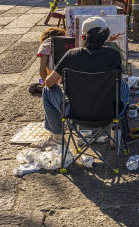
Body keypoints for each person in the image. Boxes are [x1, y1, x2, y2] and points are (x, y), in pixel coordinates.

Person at [35, 16, 123, 148]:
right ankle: (116, 131)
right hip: (109, 113)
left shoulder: (72, 55)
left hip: (75, 113)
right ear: (105, 37)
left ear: (83, 38)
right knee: (124, 85)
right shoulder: (114, 54)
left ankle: (58, 137)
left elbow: (48, 83)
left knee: (48, 90)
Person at [29, 27, 65, 95]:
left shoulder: (46, 44)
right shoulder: (66, 41)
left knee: (38, 84)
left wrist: (45, 84)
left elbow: (42, 69)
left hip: (56, 69)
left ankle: (43, 86)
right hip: (69, 71)